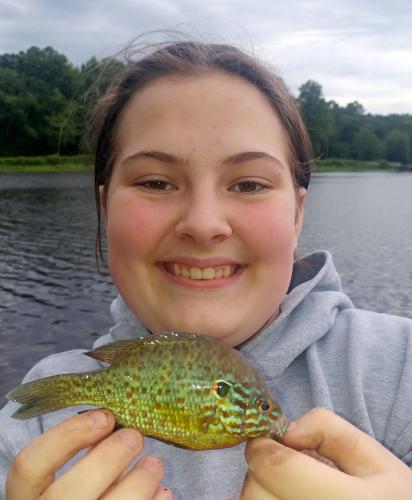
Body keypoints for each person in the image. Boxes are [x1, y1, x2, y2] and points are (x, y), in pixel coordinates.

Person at [1, 40, 411, 500]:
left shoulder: (401, 369)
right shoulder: (32, 422)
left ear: (297, 216)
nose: (202, 224)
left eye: (249, 183)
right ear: (105, 206)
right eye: (156, 182)